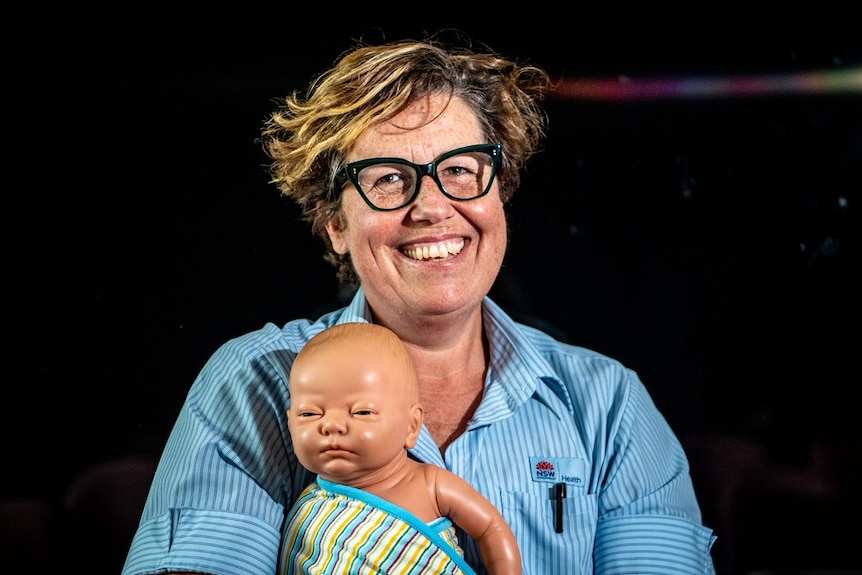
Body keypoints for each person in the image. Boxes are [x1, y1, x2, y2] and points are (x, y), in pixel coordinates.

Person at [122, 33, 717, 575]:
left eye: (460, 170)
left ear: (498, 197)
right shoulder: (253, 383)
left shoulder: (609, 405)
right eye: (387, 178)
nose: (432, 207)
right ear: (333, 222)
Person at [282, 321, 522, 574]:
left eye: (362, 411)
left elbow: (492, 528)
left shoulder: (430, 485)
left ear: (411, 425)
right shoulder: (311, 508)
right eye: (309, 414)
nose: (331, 425)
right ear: (290, 424)